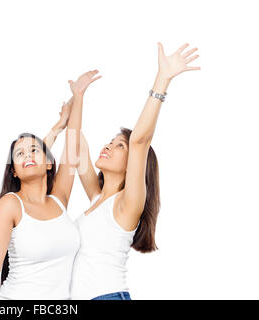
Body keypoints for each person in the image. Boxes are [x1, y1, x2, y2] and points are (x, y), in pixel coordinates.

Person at [70, 43, 200, 300]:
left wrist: (162, 79)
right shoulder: (97, 199)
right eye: (111, 141)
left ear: (133, 166)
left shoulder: (127, 205)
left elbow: (140, 141)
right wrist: (79, 96)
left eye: (120, 146)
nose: (108, 145)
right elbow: (75, 147)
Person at [0, 71, 102, 300]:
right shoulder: (10, 204)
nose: (27, 155)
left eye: (34, 150)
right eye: (19, 153)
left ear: (49, 163)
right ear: (14, 170)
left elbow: (73, 140)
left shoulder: (59, 200)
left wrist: (78, 96)